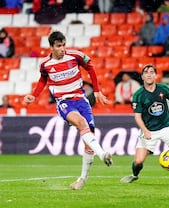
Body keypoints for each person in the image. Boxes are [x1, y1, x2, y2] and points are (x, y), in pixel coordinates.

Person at [23, 31, 113, 190]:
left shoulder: (76, 56)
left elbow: (91, 68)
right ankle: (103, 154)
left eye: (64, 45)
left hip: (81, 100)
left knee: (88, 142)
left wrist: (97, 90)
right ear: (51, 47)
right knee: (81, 123)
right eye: (58, 46)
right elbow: (43, 79)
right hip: (64, 102)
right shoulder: (45, 64)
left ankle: (82, 180)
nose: (62, 49)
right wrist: (34, 95)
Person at [120, 64, 169, 185]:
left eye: (152, 72)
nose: (149, 74)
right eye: (146, 72)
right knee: (138, 161)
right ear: (142, 76)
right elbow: (137, 117)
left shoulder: (164, 89)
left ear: (155, 75)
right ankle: (134, 175)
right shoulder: (138, 95)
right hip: (148, 130)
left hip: (165, 127)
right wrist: (145, 130)